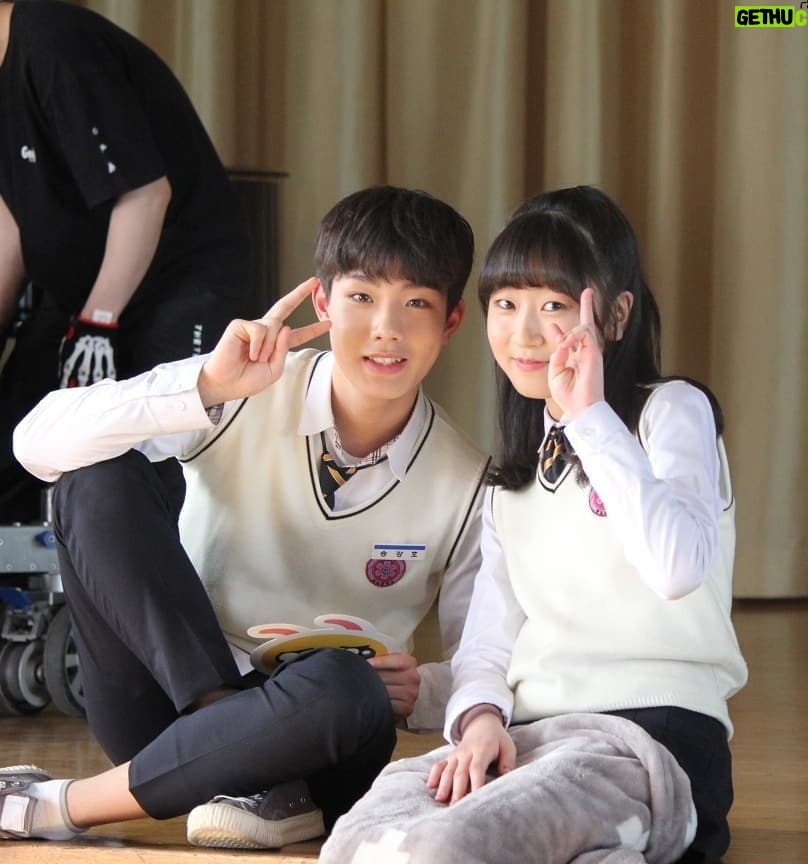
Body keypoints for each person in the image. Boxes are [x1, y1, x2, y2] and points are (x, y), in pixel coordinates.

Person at [0, 186, 489, 850]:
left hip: (317, 735)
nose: (386, 329)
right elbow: (35, 445)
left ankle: (64, 805)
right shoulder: (245, 385)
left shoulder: (469, 481)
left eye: (417, 304)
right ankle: (226, 735)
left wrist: (423, 689)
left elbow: (484, 661)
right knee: (94, 478)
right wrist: (205, 386)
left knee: (347, 685)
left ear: (451, 322)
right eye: (362, 297)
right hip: (169, 709)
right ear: (323, 303)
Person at [318, 186, 748, 864]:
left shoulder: (670, 411)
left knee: (449, 848)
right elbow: (489, 642)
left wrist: (589, 416)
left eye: (552, 306)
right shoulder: (511, 482)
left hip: (653, 739)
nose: (523, 333)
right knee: (366, 829)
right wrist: (479, 720)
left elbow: (677, 568)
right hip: (537, 737)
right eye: (506, 304)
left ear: (615, 316)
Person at [0, 0, 254, 523]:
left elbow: (145, 195)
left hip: (176, 282)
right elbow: (12, 223)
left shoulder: (55, 44)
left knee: (159, 456)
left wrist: (97, 323)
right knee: (16, 444)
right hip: (80, 294)